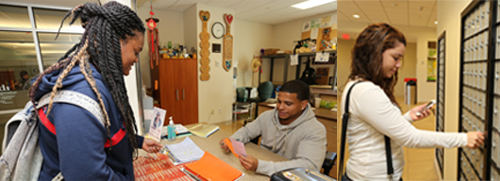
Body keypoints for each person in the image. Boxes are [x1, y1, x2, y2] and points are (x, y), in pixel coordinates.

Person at [29, 2, 162, 180]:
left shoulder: (101, 82)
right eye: (136, 51)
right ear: (115, 42)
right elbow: (89, 176)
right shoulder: (80, 98)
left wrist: (139, 141)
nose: (137, 60)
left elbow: (107, 132)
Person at [340, 23, 484, 180]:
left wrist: (408, 117)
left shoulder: (354, 84)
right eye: (395, 58)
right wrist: (463, 139)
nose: (399, 65)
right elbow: (411, 138)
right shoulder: (367, 92)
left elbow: (380, 129)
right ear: (374, 53)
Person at [220, 80, 327, 176]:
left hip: (286, 176)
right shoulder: (267, 116)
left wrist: (260, 166)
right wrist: (233, 140)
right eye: (279, 101)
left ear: (303, 104)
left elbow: (308, 166)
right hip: (260, 168)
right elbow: (247, 131)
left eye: (288, 104)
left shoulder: (315, 130)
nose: (280, 107)